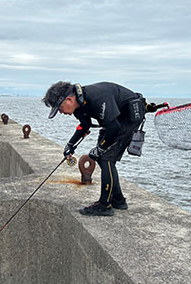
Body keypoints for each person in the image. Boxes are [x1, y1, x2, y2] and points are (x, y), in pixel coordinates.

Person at [42, 81, 163, 216]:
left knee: (105, 158)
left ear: (69, 99)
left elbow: (114, 127)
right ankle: (118, 200)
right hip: (114, 120)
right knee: (101, 156)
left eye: (60, 108)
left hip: (128, 118)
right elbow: (85, 125)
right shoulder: (79, 105)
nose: (61, 112)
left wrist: (100, 148)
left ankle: (104, 205)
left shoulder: (96, 98)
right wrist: (70, 145)